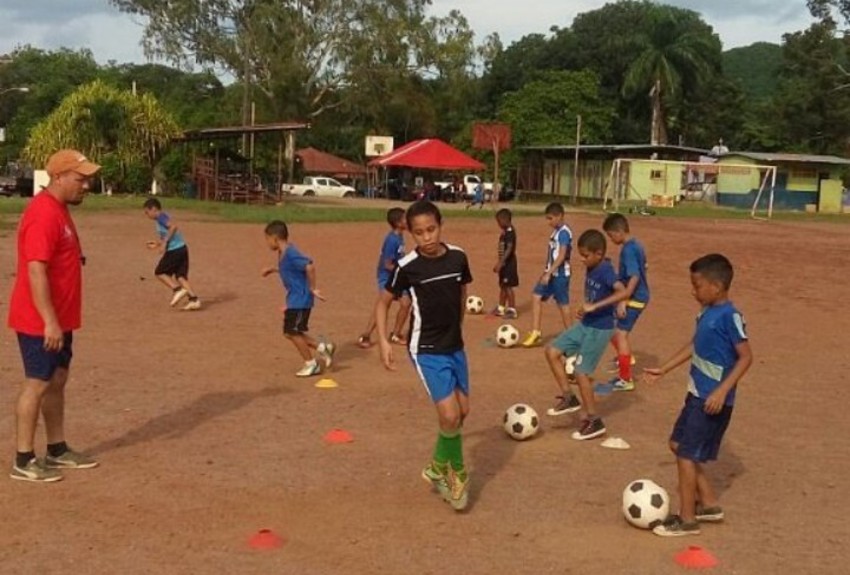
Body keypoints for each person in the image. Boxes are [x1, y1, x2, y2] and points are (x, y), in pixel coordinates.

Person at [8, 149, 102, 482]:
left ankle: (57, 449)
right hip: (39, 319)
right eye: (80, 178)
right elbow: (36, 269)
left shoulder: (59, 210)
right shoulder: (43, 213)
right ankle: (23, 458)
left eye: (87, 178)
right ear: (58, 177)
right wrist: (48, 320)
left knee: (57, 380)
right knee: (38, 383)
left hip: (60, 318)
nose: (86, 185)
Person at [643, 254, 752, 537]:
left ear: (716, 286)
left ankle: (687, 519)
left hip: (712, 401)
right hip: (696, 394)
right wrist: (663, 369)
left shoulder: (731, 316)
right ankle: (710, 504)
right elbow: (695, 345)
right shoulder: (705, 312)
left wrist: (721, 391)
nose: (693, 291)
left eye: (697, 285)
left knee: (687, 454)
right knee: (677, 444)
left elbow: (746, 358)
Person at [376, 201, 473, 511]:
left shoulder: (458, 257)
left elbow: (462, 294)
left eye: (431, 230)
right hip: (426, 348)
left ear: (440, 225)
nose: (426, 238)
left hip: (454, 345)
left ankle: (436, 464)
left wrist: (458, 327)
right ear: (411, 234)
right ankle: (456, 477)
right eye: (419, 233)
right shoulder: (408, 266)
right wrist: (384, 341)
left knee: (463, 411)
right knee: (449, 415)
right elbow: (383, 303)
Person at [543, 229, 626, 440]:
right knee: (552, 351)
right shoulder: (593, 265)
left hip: (600, 329)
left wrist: (596, 306)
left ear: (598, 254)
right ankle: (569, 397)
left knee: (581, 373)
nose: (582, 259)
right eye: (580, 254)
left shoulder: (606, 270)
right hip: (586, 324)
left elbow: (622, 290)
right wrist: (585, 308)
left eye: (585, 255)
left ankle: (594, 420)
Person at [262, 220, 335, 377]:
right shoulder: (284, 253)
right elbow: (289, 268)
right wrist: (273, 270)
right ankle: (323, 348)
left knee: (293, 332)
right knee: (289, 333)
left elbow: (309, 266)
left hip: (300, 299)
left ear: (275, 238)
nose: (267, 243)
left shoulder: (291, 253)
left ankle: (311, 364)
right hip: (294, 299)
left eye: (267, 239)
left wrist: (313, 288)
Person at [602, 213, 649, 392]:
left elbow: (634, 276)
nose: (611, 239)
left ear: (619, 231)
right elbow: (644, 266)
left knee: (620, 334)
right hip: (636, 296)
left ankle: (625, 378)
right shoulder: (636, 244)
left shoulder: (628, 250)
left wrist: (624, 300)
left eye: (611, 235)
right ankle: (626, 359)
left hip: (634, 298)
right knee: (612, 328)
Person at [358, 208, 411, 348]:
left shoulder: (399, 236)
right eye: (405, 219)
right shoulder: (392, 240)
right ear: (398, 223)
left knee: (406, 303)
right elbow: (387, 264)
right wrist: (404, 272)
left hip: (398, 275)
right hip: (387, 277)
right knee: (383, 304)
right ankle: (366, 336)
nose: (408, 221)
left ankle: (395, 334)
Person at [522, 202, 573, 347]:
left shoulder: (564, 233)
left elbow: (562, 255)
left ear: (560, 216)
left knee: (563, 304)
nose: (548, 222)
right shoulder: (557, 232)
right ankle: (536, 331)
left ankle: (571, 335)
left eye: (550, 218)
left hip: (560, 275)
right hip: (550, 273)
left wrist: (549, 273)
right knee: (536, 296)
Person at [143, 198, 201, 311]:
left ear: (154, 209)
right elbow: (170, 234)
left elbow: (173, 227)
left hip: (175, 250)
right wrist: (159, 244)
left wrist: (164, 243)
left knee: (160, 272)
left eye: (147, 212)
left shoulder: (160, 217)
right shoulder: (162, 217)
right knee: (180, 276)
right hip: (182, 248)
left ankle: (177, 289)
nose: (146, 215)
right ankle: (194, 300)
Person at [491, 208, 518, 319]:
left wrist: (501, 263)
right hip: (504, 264)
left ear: (504, 220)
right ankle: (501, 307)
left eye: (499, 222)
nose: (498, 224)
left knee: (508, 287)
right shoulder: (506, 232)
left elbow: (510, 248)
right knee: (503, 285)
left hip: (509, 264)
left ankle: (512, 309)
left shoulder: (510, 232)